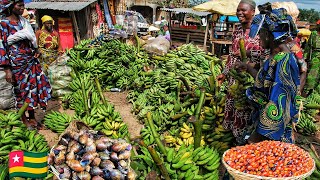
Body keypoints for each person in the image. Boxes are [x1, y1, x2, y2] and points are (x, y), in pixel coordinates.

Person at [242, 7, 301, 143]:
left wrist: (255, 138)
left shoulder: (284, 62)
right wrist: (247, 68)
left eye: (261, 33)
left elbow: (278, 104)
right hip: (262, 121)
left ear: (269, 35)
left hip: (271, 133)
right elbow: (266, 82)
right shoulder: (275, 57)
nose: (258, 37)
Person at [216, 0, 265, 145]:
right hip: (234, 78)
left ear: (253, 12)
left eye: (243, 10)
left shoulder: (261, 30)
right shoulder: (237, 30)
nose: (239, 13)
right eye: (238, 10)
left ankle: (244, 142)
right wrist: (224, 73)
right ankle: (232, 140)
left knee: (245, 110)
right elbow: (232, 55)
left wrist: (248, 53)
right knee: (233, 107)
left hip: (250, 78)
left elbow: (266, 55)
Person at [0, 0, 51, 128]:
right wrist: (7, 69)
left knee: (32, 89)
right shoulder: (4, 24)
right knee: (20, 91)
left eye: (23, 5)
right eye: (19, 5)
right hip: (16, 63)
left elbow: (31, 39)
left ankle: (32, 118)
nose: (23, 8)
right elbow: (2, 46)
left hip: (30, 60)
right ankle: (24, 120)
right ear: (11, 7)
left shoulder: (24, 22)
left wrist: (36, 50)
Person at [303, 20, 320, 95]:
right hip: (315, 57)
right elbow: (308, 47)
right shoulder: (314, 34)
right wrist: (305, 59)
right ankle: (307, 94)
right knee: (311, 77)